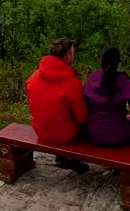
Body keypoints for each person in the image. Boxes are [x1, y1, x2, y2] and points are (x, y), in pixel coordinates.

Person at [26, 37, 89, 173]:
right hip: (63, 135)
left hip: (40, 130)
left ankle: (61, 157)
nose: (73, 56)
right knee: (84, 124)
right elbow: (82, 117)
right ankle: (73, 160)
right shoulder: (71, 83)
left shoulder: (33, 77)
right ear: (66, 56)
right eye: (72, 53)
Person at [83, 46, 130, 147]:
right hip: (119, 137)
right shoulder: (125, 82)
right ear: (118, 62)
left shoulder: (91, 79)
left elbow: (84, 104)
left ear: (101, 61)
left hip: (94, 134)